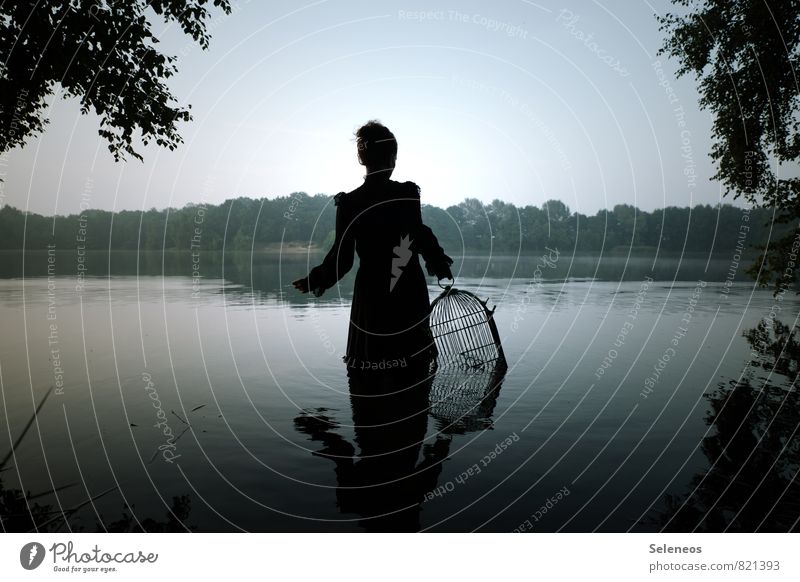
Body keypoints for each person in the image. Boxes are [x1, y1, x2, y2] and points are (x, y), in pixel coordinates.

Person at [293, 120, 453, 369]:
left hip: (371, 297)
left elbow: (342, 258)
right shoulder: (406, 194)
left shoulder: (350, 203)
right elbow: (420, 235)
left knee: (370, 366)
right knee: (414, 370)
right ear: (391, 158)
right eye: (394, 156)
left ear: (363, 159)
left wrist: (317, 279)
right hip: (407, 289)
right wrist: (439, 264)